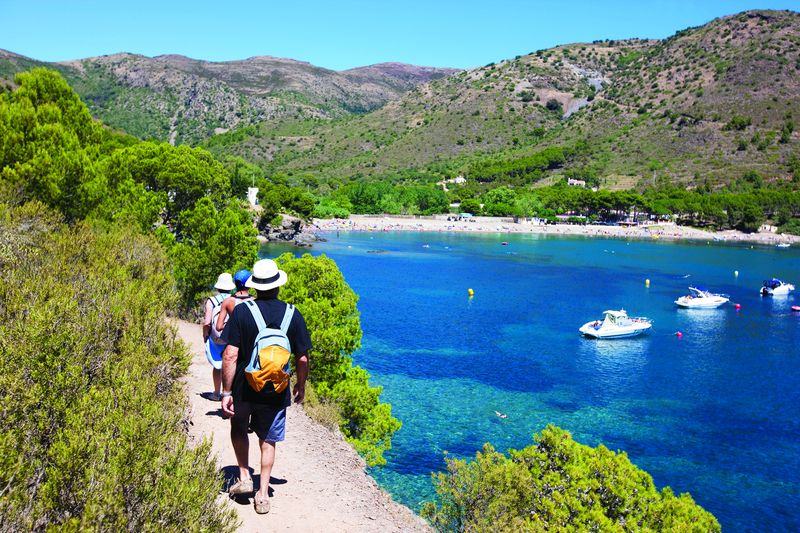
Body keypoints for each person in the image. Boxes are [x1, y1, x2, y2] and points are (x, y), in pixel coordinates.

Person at [221, 259, 311, 515]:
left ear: (256, 286)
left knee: (238, 428)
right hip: (276, 389)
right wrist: (300, 386)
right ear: (278, 286)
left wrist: (226, 392)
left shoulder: (242, 312)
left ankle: (244, 476)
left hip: (243, 387)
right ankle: (262, 495)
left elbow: (230, 355)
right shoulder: (293, 314)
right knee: (268, 439)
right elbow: (302, 357)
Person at [203, 272, 236, 400]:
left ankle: (216, 394)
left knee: (217, 365)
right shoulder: (234, 299)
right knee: (230, 363)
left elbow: (207, 322)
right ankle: (228, 393)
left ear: (218, 286)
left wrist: (205, 335)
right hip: (231, 337)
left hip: (216, 337)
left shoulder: (212, 301)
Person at [215, 269, 254, 334]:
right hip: (250, 338)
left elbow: (219, 327)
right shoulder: (255, 300)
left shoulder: (227, 301)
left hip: (234, 338)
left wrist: (235, 326)